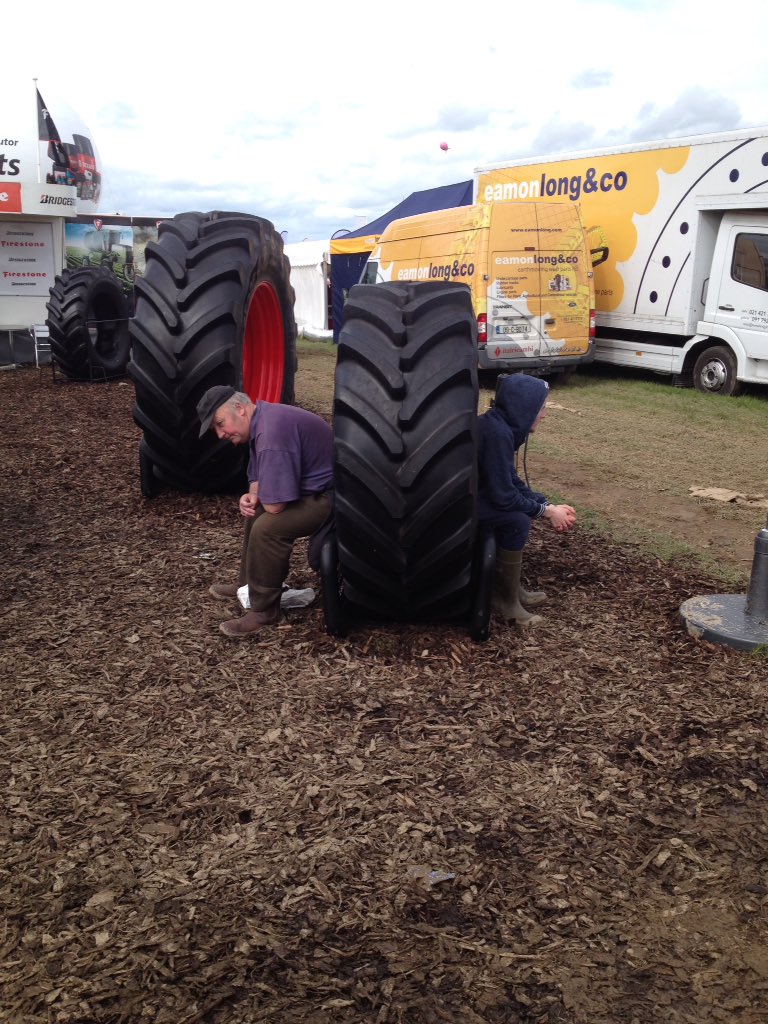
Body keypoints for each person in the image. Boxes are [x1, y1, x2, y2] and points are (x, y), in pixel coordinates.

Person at [197, 386, 334, 638]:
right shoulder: (262, 420)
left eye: (220, 423)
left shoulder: (271, 432)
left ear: (239, 408)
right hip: (312, 491)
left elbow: (275, 506)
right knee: (257, 513)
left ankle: (265, 610)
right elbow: (258, 475)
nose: (220, 434)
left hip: (333, 497)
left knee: (268, 528)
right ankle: (248, 586)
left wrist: (261, 500)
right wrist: (251, 496)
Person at [477, 374, 576, 627]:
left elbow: (511, 481)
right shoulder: (497, 434)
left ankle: (511, 589)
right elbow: (503, 496)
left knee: (519, 515)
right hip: (455, 508)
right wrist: (545, 512)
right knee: (517, 521)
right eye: (541, 408)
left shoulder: (498, 427)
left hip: (470, 498)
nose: (544, 415)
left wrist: (547, 505)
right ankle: (505, 599)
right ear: (524, 406)